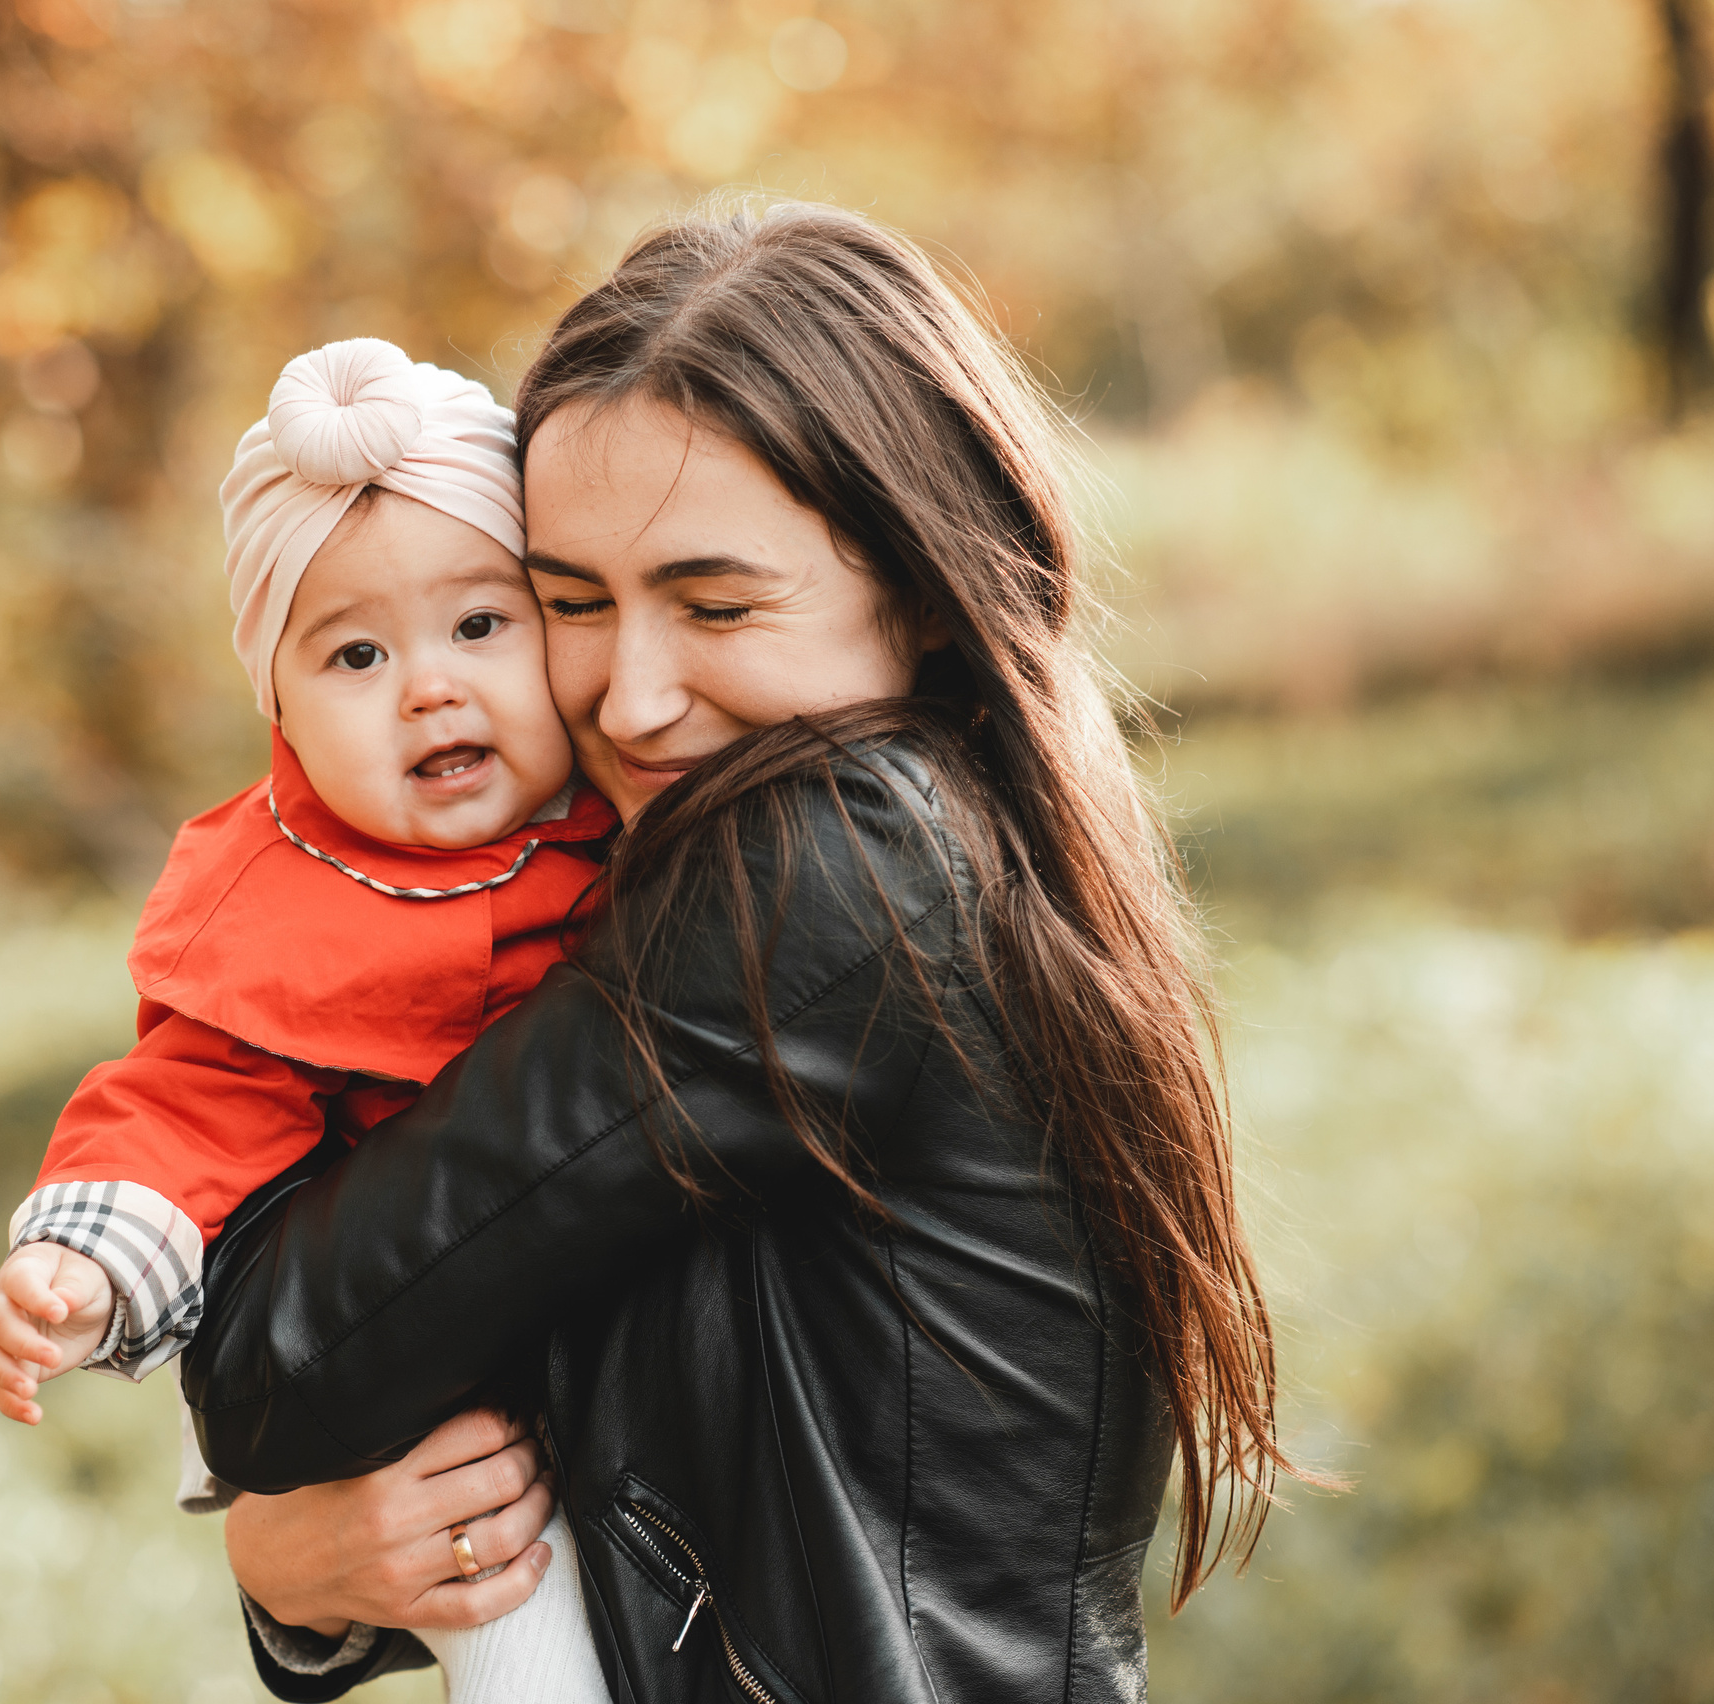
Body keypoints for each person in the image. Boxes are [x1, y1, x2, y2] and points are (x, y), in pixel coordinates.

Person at [185, 199, 1304, 1703]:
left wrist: (268, 1508)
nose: (632, 697)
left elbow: (280, 1366)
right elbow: (686, 1462)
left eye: (716, 603)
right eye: (568, 603)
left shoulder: (836, 869)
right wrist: (311, 1582)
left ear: (917, 578)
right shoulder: (894, 846)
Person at [0, 337, 614, 1701]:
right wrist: (90, 1267)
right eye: (358, 655)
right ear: (280, 707)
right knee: (526, 1627)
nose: (431, 685)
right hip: (453, 1426)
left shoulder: (640, 812)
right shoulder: (281, 904)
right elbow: (185, 1110)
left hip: (642, 1387)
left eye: (481, 626)